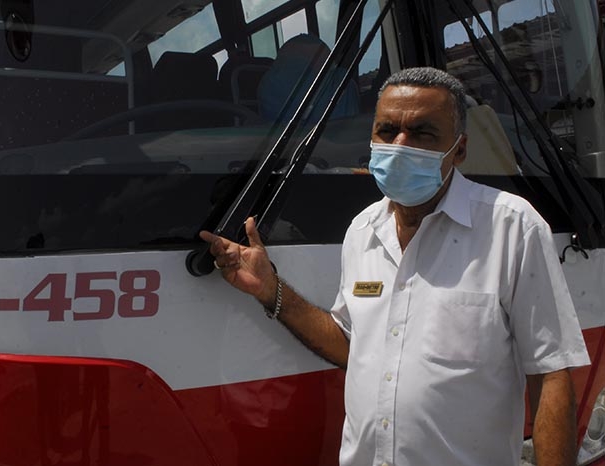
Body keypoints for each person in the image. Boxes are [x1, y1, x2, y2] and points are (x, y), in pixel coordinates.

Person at [200, 67, 590, 466]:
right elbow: (353, 345)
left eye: (422, 133)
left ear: (459, 149)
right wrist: (269, 288)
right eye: (387, 130)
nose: (400, 145)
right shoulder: (363, 230)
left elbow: (552, 373)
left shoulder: (511, 227)